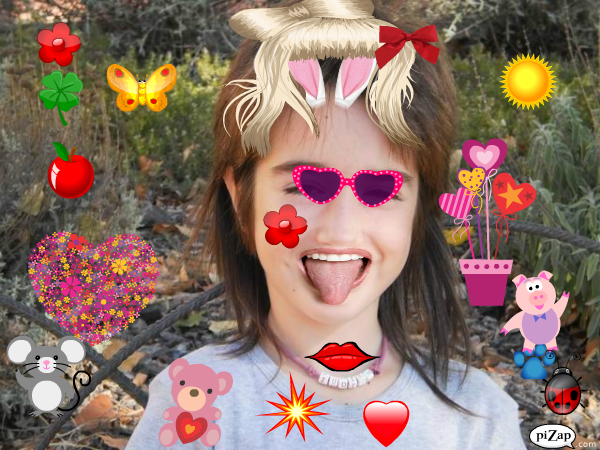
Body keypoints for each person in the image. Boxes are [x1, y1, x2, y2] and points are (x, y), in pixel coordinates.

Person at [127, 0, 527, 448]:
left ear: (419, 209)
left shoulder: (478, 419)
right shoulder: (194, 402)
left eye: (380, 188)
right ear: (241, 198)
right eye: (308, 185)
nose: (340, 230)